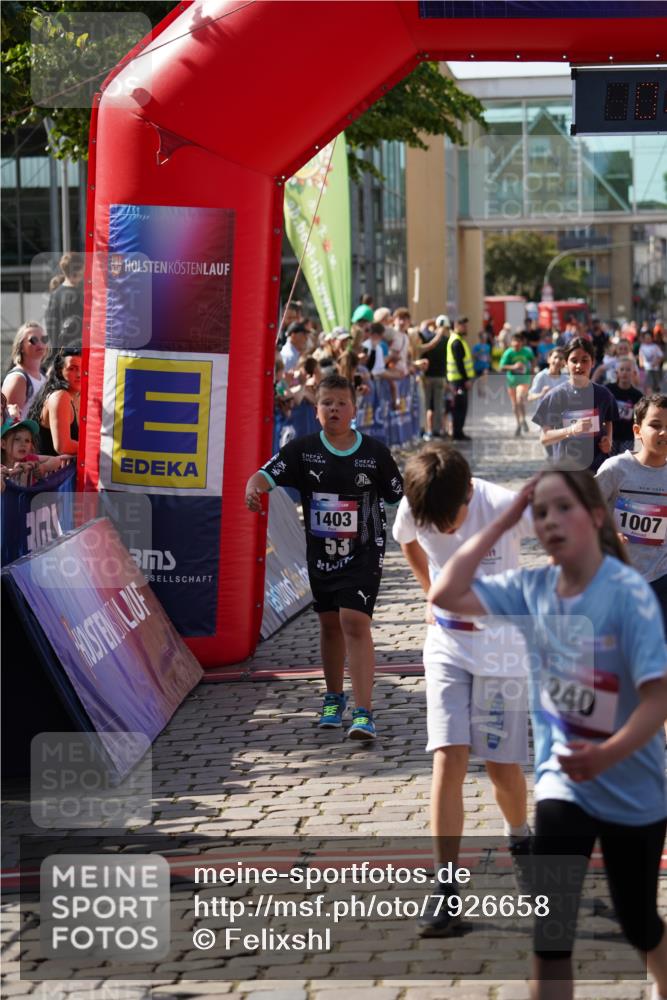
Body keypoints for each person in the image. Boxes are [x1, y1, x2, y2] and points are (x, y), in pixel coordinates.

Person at [428, 468, 667, 1000]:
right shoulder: (530, 589)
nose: (551, 521)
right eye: (541, 513)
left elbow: (658, 701)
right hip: (564, 787)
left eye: (565, 509)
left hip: (634, 788)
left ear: (597, 517)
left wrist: (606, 753)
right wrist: (502, 522)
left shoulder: (629, 595)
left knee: (638, 922)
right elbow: (446, 592)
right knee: (551, 936)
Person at [393, 443, 534, 937]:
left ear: (469, 494)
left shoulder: (503, 505)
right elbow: (407, 539)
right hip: (448, 644)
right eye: (435, 522)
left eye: (449, 520)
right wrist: (428, 589)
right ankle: (446, 890)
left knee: (501, 767)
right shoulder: (417, 505)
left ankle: (519, 834)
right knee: (448, 756)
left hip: (501, 650)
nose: (444, 530)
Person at [245, 373, 403, 741]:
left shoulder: (374, 453)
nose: (334, 409)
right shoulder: (302, 451)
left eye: (341, 403)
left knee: (353, 621)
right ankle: (334, 698)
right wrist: (253, 490)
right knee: (330, 625)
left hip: (365, 552)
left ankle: (364, 712)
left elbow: (399, 498)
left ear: (354, 409)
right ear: (316, 411)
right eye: (326, 403)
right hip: (322, 555)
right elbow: (263, 476)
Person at [596, 394, 667, 634]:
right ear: (637, 430)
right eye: (655, 425)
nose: (663, 433)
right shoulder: (616, 469)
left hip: (661, 576)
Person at [532, 337, 618, 472]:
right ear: (566, 363)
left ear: (593, 362)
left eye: (584, 360)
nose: (579, 366)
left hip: (597, 470)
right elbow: (544, 438)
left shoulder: (604, 394)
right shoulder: (555, 396)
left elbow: (608, 421)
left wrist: (608, 439)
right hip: (566, 472)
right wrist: (571, 430)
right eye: (574, 361)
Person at [27, 348, 81, 456]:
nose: (79, 374)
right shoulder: (60, 396)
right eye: (72, 368)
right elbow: (63, 446)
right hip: (52, 472)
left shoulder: (78, 395)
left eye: (84, 368)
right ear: (60, 371)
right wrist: (97, 449)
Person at [2, 322, 49, 419]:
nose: (40, 344)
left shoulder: (43, 375)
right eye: (33, 340)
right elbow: (8, 423)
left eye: (44, 339)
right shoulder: (18, 379)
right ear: (21, 347)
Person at [45, 251, 84, 349]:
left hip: (59, 351)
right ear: (78, 270)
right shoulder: (78, 296)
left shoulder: (55, 294)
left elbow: (51, 327)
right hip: (75, 352)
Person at [605, 357, 644, 455]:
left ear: (634, 373)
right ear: (617, 372)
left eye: (628, 370)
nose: (625, 372)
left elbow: (640, 416)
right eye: (622, 369)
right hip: (610, 435)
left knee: (624, 462)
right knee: (609, 462)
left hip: (627, 436)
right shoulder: (608, 390)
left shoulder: (637, 395)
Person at [500, 331, 535, 437]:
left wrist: (532, 369)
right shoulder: (508, 353)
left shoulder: (527, 351)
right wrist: (513, 367)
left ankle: (523, 419)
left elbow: (533, 360)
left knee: (520, 398)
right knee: (514, 404)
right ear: (511, 343)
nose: (517, 346)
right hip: (512, 381)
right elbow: (501, 367)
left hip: (524, 379)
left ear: (522, 343)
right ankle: (519, 423)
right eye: (515, 343)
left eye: (519, 344)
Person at [419, 316, 449, 439]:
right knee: (438, 405)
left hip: (427, 376)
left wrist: (432, 320)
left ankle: (427, 429)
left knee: (426, 405)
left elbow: (423, 325)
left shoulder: (426, 337)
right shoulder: (446, 340)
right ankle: (437, 430)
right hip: (440, 376)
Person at [446, 316, 474, 442]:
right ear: (457, 326)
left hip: (458, 380)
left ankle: (459, 431)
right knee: (459, 407)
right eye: (463, 326)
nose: (466, 328)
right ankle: (457, 433)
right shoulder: (456, 341)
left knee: (460, 407)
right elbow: (459, 363)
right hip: (458, 381)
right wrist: (466, 379)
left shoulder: (458, 340)